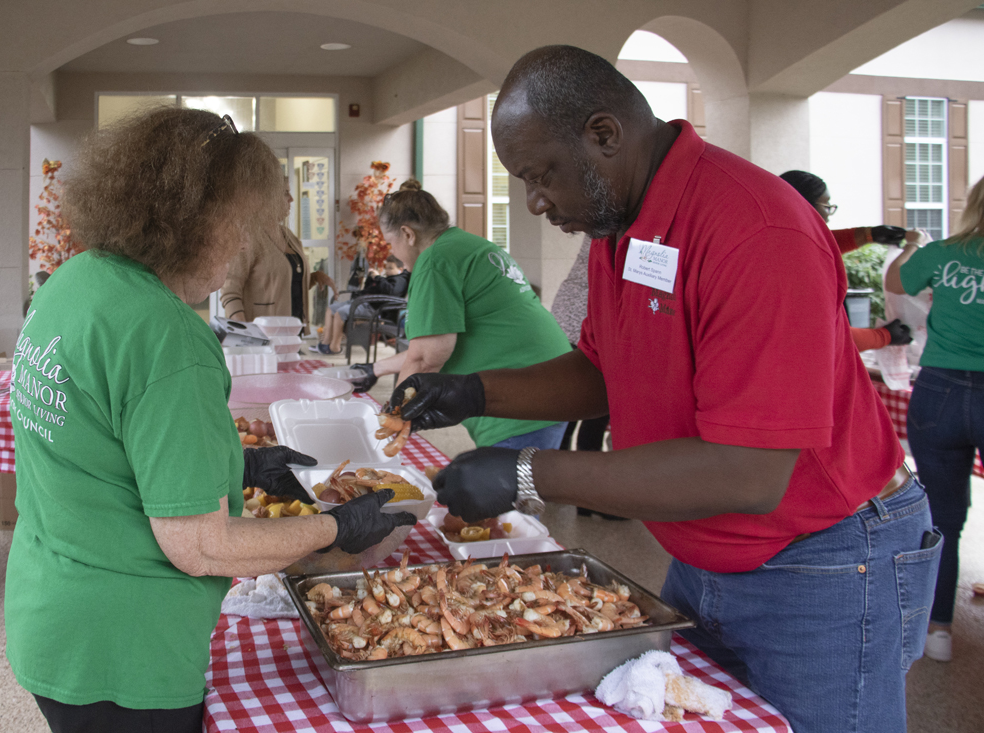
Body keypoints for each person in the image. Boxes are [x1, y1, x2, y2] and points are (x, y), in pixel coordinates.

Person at [388, 46, 940, 733]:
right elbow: (601, 372)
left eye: (540, 175)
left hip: (821, 558)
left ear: (604, 135)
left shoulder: (754, 229)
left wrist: (528, 472)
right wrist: (475, 391)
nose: (534, 201)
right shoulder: (620, 222)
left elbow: (749, 472)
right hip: (704, 553)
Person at [4, 108, 414, 733]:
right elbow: (202, 547)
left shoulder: (73, 283)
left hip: (52, 614)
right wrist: (332, 528)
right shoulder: (166, 336)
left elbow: (100, 445)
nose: (242, 244)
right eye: (239, 224)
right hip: (129, 650)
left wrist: (237, 464)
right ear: (189, 220)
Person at [363, 178, 572, 450]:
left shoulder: (434, 261)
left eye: (390, 242)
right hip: (550, 381)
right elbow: (436, 344)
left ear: (408, 234)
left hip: (520, 400)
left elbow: (425, 360)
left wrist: (391, 418)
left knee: (505, 489)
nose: (393, 252)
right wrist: (374, 369)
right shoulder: (463, 244)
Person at [884, 174, 984, 663]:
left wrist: (911, 246)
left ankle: (938, 629)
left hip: (940, 390)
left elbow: (895, 281)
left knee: (943, 516)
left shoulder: (944, 253)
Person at [779, 169, 913, 351]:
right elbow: (826, 335)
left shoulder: (775, 244)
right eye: (826, 206)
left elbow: (820, 245)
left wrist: (868, 234)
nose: (828, 215)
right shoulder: (800, 269)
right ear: (805, 207)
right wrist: (884, 336)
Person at [550, 235, 623, 520]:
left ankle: (559, 486)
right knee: (596, 409)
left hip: (567, 317)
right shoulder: (619, 226)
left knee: (569, 411)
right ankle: (590, 498)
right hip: (592, 320)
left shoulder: (598, 225)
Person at [220, 185, 335, 333]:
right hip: (263, 335)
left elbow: (283, 284)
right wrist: (244, 330)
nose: (291, 199)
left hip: (293, 332)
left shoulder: (289, 235)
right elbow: (230, 289)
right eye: (286, 193)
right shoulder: (248, 237)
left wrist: (314, 277)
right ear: (267, 199)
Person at [316, 254, 410, 355]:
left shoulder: (400, 280)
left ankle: (335, 348)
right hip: (361, 301)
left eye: (390, 268)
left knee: (340, 313)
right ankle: (326, 343)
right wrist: (370, 278)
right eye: (386, 268)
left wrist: (377, 276)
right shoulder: (387, 279)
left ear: (400, 269)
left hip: (372, 308)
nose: (387, 271)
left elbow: (391, 291)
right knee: (331, 309)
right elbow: (368, 289)